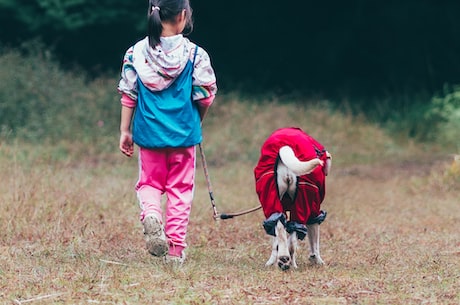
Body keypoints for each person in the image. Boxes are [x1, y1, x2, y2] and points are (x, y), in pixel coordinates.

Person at [117, 0, 217, 264]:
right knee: (180, 191)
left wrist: (125, 131)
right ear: (183, 16)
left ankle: (151, 214)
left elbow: (128, 93)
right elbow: (205, 95)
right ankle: (174, 251)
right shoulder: (196, 55)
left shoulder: (136, 52)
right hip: (183, 135)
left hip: (149, 135)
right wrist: (197, 121)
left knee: (149, 183)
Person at [254, 127, 330, 240]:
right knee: (306, 207)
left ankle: (279, 251)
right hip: (303, 170)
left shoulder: (277, 137)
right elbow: (326, 169)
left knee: (275, 214)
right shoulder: (315, 146)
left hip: (274, 165)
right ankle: (301, 248)